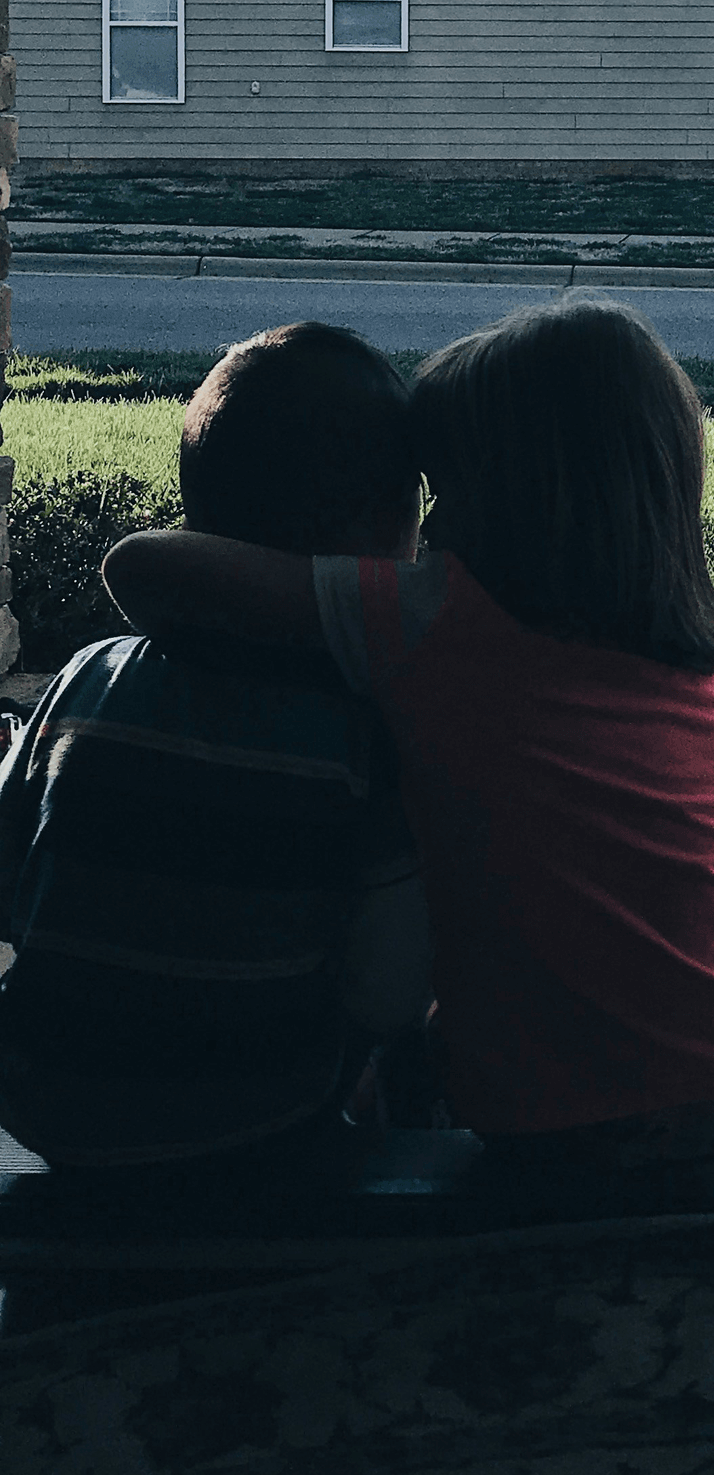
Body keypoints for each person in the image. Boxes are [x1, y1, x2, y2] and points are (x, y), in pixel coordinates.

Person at [102, 297, 714, 1168]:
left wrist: (337, 580)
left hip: (520, 1113)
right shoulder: (700, 670)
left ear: (500, 500)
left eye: (444, 488)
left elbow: (139, 565)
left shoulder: (426, 617)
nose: (435, 520)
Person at [0, 323, 433, 1170]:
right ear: (390, 525)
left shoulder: (87, 677)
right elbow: (388, 994)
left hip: (42, 1104)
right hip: (254, 1129)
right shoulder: (363, 730)